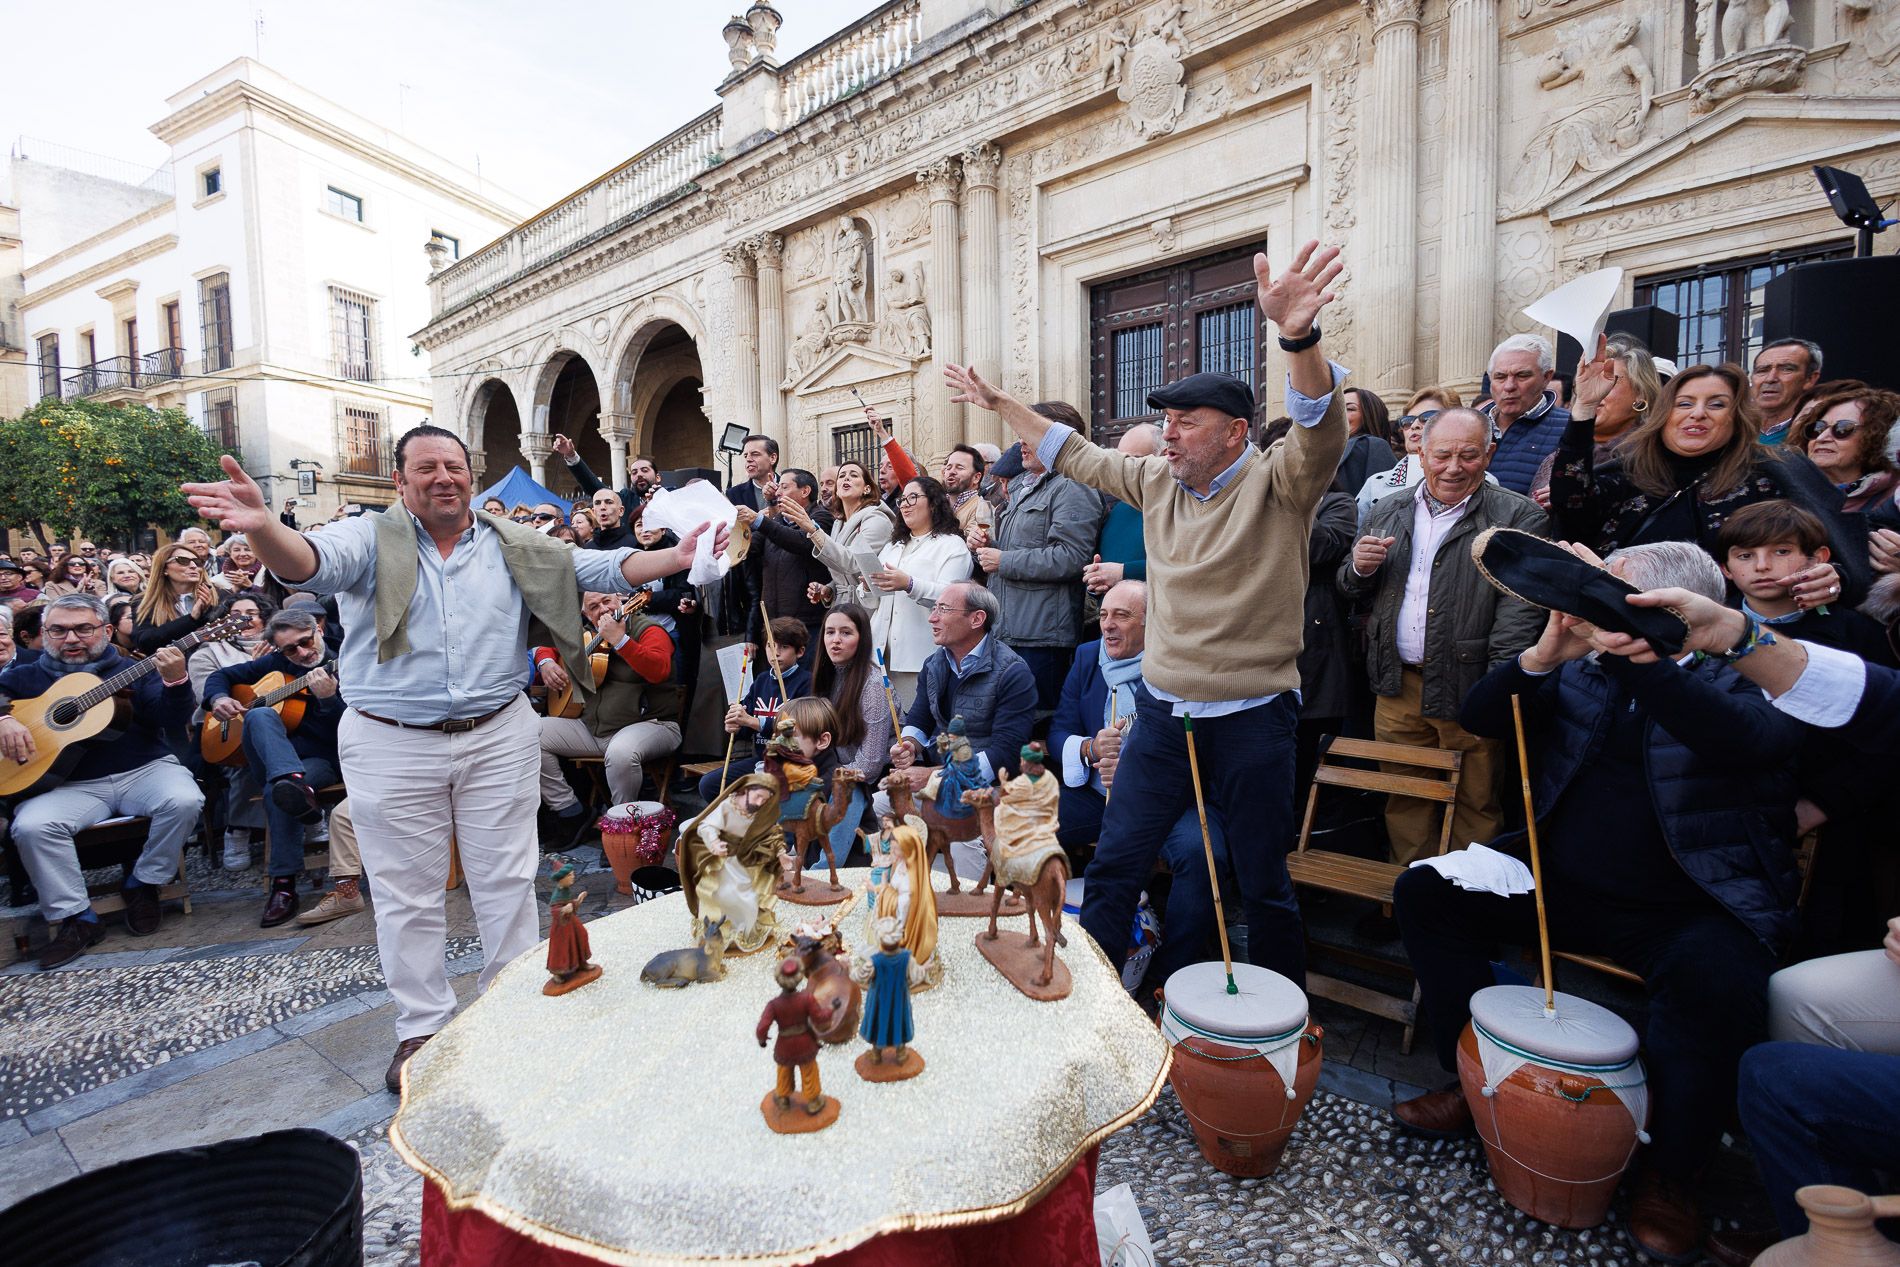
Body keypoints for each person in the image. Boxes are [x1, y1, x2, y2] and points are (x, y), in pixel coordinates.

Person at [181, 424, 722, 1094]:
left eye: (454, 466)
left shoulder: (514, 542)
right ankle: (423, 1026)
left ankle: (512, 1010)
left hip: (497, 732)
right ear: (400, 481)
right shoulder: (367, 538)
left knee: (507, 881)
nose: (444, 477)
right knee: (406, 893)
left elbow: (600, 569)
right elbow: (307, 563)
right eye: (426, 467)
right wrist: (265, 527)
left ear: (470, 476)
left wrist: (677, 557)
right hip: (391, 739)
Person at [947, 238, 1346, 988]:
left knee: (1264, 882)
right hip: (1162, 720)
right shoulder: (1157, 480)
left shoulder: (1282, 483)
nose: (1168, 433)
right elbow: (1074, 453)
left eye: (1186, 421)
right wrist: (1001, 405)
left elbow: (1322, 429)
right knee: (1117, 862)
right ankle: (1091, 1004)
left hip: (1255, 720)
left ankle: (1283, 1021)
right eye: (1166, 421)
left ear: (1235, 431)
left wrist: (1297, 338)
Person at [1390, 541, 1804, 1262]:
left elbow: (1740, 741)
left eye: (1610, 594)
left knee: (1719, 979)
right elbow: (1483, 716)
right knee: (1426, 892)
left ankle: (1672, 1171)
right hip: (1563, 881)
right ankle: (1476, 1077)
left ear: (1670, 610)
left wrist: (1638, 659)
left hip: (1688, 903)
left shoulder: (1744, 679)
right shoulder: (1584, 669)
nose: (1590, 606)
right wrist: (1544, 654)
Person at [1338, 408, 1548, 866]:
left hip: (1470, 685)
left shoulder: (1517, 515)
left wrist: (1496, 687)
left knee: (1476, 802)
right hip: (1396, 684)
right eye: (1443, 455)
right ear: (1421, 453)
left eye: (1468, 455)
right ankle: (1410, 890)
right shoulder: (1387, 508)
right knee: (1405, 798)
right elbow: (1352, 588)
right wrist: (1359, 568)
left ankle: (1465, 898)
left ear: (1489, 454)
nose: (1454, 467)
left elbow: (1519, 612)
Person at [1549, 359, 1871, 603]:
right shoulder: (1629, 471)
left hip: (1731, 638)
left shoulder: (1774, 472)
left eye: (1717, 404)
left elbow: (1835, 549)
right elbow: (1571, 506)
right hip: (1620, 621)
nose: (1698, 413)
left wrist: (1833, 578)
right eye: (1684, 403)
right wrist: (1585, 408)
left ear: (1737, 417)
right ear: (1664, 415)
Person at [0, 595, 204, 968]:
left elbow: (170, 718)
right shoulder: (23, 676)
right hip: (68, 785)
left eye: (83, 629)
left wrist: (177, 681)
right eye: (58, 630)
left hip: (142, 769)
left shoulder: (133, 669)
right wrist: (4, 717)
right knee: (31, 826)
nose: (71, 639)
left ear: (107, 631)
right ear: (44, 633)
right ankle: (77, 918)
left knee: (185, 800)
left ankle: (144, 883)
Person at [1049, 580, 1231, 989]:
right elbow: (1059, 730)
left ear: (1153, 624)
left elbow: (1207, 753)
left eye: (1122, 616)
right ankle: (1043, 943)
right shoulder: (1087, 656)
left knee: (1204, 855)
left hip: (1169, 803)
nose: (1108, 625)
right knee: (1023, 820)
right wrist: (1090, 748)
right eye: (1103, 615)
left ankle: (1168, 979)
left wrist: (1135, 769)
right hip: (1099, 796)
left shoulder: (1181, 667)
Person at [885, 582, 1036, 881]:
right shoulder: (935, 663)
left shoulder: (1012, 672)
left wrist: (934, 777)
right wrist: (910, 744)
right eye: (934, 608)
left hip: (988, 789)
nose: (932, 618)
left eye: (943, 609)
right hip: (941, 781)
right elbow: (920, 718)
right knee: (883, 803)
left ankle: (970, 903)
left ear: (976, 619)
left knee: (961, 836)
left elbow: (1005, 755)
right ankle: (907, 891)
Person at [204, 610, 342, 926]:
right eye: (290, 649)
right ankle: (290, 782)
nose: (302, 653)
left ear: (319, 630)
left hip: (324, 759)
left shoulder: (345, 661)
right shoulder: (276, 664)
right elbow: (219, 677)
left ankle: (283, 885)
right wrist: (218, 699)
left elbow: (353, 729)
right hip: (274, 759)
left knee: (277, 791)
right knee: (257, 715)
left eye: (306, 642)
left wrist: (329, 701)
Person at [969, 403, 1104, 711]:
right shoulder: (1029, 487)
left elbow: (1072, 557)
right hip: (1010, 630)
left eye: (1029, 433)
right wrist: (988, 545)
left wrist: (1003, 560)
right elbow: (1023, 548)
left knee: (1036, 725)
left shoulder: (1073, 485)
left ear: (1060, 440)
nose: (1021, 442)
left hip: (1042, 639)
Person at [533, 590, 682, 845]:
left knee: (621, 752)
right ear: (584, 614)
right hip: (595, 730)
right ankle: (571, 812)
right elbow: (547, 645)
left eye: (606, 601)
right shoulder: (583, 633)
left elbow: (659, 670)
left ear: (620, 600)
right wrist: (546, 662)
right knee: (529, 733)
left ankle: (621, 829)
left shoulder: (648, 629)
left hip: (652, 725)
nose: (602, 610)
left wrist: (621, 641)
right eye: (593, 606)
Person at [1717, 500, 1896, 664]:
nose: (1762, 566)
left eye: (1781, 552)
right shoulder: (1712, 627)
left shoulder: (1859, 632)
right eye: (1745, 556)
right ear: (1726, 569)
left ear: (1817, 559)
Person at [864, 476, 973, 707]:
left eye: (913, 497)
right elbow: (874, 603)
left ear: (933, 503)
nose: (905, 504)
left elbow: (951, 597)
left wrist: (909, 584)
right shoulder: (893, 546)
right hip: (879, 655)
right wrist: (866, 587)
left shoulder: (952, 545)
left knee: (914, 721)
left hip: (919, 656)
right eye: (902, 500)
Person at [1529, 333, 1665, 508]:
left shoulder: (1654, 457)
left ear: (1641, 393)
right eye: (1587, 382)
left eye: (1609, 380)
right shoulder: (1556, 458)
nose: (1596, 390)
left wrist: (1570, 496)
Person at [697, 617, 813, 802]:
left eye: (784, 647)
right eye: (770, 646)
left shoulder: (806, 682)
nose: (775, 653)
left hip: (790, 763)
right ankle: (738, 818)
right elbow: (747, 724)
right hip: (761, 760)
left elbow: (796, 728)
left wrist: (753, 721)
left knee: (765, 795)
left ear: (800, 651)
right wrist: (736, 726)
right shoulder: (761, 680)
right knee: (709, 785)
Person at [811, 604, 888, 865]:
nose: (836, 640)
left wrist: (826, 778)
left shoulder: (873, 685)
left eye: (846, 633)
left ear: (861, 638)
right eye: (830, 632)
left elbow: (870, 765)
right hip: (835, 771)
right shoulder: (827, 676)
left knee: (846, 786)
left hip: (869, 781)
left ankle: (825, 869)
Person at [747, 469, 834, 665]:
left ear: (805, 491)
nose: (777, 492)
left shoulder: (821, 517)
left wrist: (760, 521)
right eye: (778, 487)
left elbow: (801, 542)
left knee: (805, 681)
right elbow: (750, 549)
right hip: (775, 626)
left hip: (806, 626)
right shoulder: (776, 521)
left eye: (784, 487)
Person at [1481, 333, 1573, 496]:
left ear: (1546, 378)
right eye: (1500, 377)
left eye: (1522, 375)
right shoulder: (1467, 427)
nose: (1509, 386)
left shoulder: (1571, 428)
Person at [796, 459, 895, 609]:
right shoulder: (838, 523)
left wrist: (814, 531)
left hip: (869, 608)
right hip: (842, 606)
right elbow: (844, 573)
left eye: (853, 475)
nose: (846, 478)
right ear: (837, 490)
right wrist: (830, 589)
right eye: (842, 476)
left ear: (867, 488)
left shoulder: (877, 519)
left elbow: (854, 563)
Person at [1786, 384, 1899, 512]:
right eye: (1818, 428)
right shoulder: (1779, 486)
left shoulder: (1894, 499)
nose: (1821, 438)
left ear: (1878, 437)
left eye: (1842, 429)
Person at [1083, 424, 1160, 596]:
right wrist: (1097, 581)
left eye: (1135, 460)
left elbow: (1185, 567)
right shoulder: (1118, 509)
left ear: (1162, 457)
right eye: (1121, 461)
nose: (1125, 469)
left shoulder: (1178, 505)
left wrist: (1123, 572)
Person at [130, 541, 219, 655]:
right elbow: (144, 642)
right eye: (183, 561)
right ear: (164, 569)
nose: (193, 566)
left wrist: (207, 612)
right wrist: (191, 619)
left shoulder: (220, 596)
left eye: (197, 562)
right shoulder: (145, 601)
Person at [1750, 337, 1823, 446]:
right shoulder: (1732, 430)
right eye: (1762, 370)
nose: (1770, 379)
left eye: (1786, 369)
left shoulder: (1819, 434)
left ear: (1810, 379)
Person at [1338, 386, 1399, 494]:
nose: (1339, 414)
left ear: (1369, 415)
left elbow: (1383, 497)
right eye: (1337, 408)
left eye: (1350, 409)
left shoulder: (1374, 445)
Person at [940, 443, 992, 536]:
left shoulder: (982, 509)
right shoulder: (937, 504)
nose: (951, 472)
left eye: (960, 468)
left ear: (976, 477)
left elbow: (975, 541)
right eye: (948, 467)